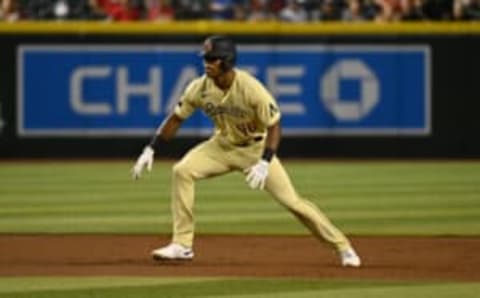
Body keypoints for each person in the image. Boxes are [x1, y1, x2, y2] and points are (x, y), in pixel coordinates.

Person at [131, 35, 361, 267]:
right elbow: (175, 118)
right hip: (221, 146)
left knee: (293, 202)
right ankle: (182, 245)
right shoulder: (199, 88)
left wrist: (264, 161)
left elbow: (274, 125)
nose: (207, 63)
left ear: (227, 61)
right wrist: (151, 147)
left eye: (213, 59)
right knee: (182, 171)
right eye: (206, 58)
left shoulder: (251, 89)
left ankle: (343, 247)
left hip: (255, 149)